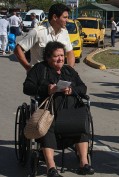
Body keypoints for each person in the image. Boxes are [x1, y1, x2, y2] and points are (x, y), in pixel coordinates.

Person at [23, 41, 94, 177]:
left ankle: (84, 163)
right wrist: (46, 89)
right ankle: (51, 167)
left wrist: (72, 90)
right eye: (56, 56)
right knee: (47, 125)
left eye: (62, 55)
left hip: (70, 111)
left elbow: (83, 88)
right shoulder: (39, 69)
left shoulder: (69, 70)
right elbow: (27, 87)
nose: (61, 58)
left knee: (82, 120)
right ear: (48, 57)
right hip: (49, 111)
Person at [14, 3, 75, 71]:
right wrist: (28, 68)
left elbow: (70, 52)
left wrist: (70, 71)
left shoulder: (64, 32)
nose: (67, 20)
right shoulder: (38, 32)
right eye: (65, 17)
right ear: (55, 17)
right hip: (39, 78)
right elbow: (18, 49)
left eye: (68, 17)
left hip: (57, 77)